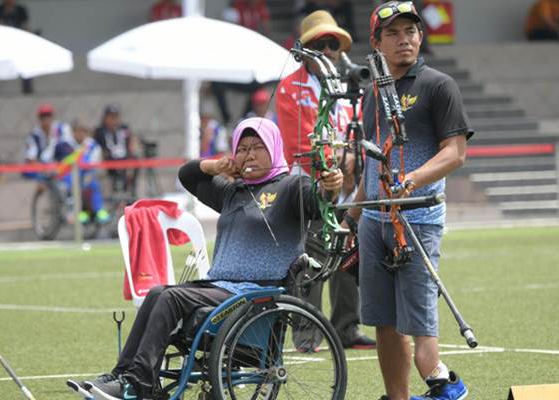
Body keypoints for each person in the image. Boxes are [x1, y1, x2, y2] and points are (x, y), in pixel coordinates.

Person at [78, 117, 343, 399]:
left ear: (274, 149)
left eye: (258, 147)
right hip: (221, 289)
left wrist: (331, 187)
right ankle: (123, 376)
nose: (249, 154)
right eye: (242, 148)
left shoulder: (291, 186)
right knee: (157, 293)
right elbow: (187, 175)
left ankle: (137, 383)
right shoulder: (231, 193)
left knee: (170, 298)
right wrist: (215, 166)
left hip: (256, 294)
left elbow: (318, 201)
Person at [343, 3, 473, 399]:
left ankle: (450, 387)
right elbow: (371, 164)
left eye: (411, 32)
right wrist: (352, 212)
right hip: (373, 223)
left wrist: (412, 180)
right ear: (377, 43)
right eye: (394, 33)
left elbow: (455, 152)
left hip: (418, 220)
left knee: (422, 341)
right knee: (383, 322)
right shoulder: (370, 95)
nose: (405, 39)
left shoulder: (438, 85)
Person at [275, 9, 375, 350]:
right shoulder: (290, 88)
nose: (329, 50)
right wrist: (337, 167)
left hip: (348, 183)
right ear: (305, 50)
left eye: (333, 43)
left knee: (349, 251)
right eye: (320, 43)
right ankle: (306, 334)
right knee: (311, 256)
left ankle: (347, 328)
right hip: (310, 182)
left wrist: (351, 167)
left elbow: (359, 131)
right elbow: (299, 142)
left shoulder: (349, 87)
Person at [60, 121, 110, 224]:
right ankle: (76, 211)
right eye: (78, 131)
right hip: (68, 174)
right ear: (73, 132)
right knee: (73, 184)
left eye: (83, 131)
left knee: (92, 184)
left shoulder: (92, 145)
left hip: (86, 174)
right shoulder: (65, 144)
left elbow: (93, 163)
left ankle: (97, 210)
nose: (80, 134)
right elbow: (65, 162)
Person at [94, 104, 138, 196]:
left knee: (135, 161)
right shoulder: (100, 131)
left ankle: (131, 194)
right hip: (108, 161)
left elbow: (130, 144)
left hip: (124, 160)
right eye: (111, 117)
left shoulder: (124, 129)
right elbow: (97, 149)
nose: (113, 119)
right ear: (105, 118)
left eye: (116, 117)